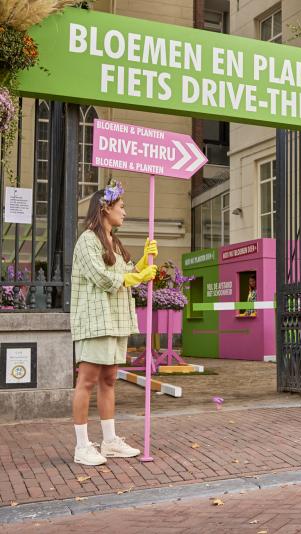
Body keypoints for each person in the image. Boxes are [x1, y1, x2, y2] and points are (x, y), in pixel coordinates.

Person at [71, 181, 158, 465]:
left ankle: (109, 441)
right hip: (96, 321)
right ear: (105, 207)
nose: (125, 212)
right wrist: (135, 277)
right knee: (87, 381)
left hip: (115, 321)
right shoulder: (87, 240)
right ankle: (82, 445)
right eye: (121, 207)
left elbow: (127, 273)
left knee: (109, 380)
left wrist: (144, 261)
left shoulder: (115, 243)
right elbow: (104, 278)